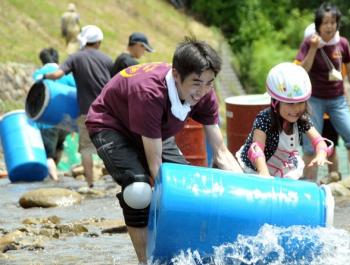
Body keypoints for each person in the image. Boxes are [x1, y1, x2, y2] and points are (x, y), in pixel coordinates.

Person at [85, 37, 243, 264]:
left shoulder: (205, 93)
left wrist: (245, 190)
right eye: (196, 83)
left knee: (189, 185)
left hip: (154, 130)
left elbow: (221, 152)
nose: (202, 91)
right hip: (111, 125)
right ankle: (145, 260)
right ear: (176, 75)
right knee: (139, 191)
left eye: (209, 82)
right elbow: (156, 167)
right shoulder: (150, 93)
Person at [295, 2, 350, 181]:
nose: (330, 26)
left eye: (333, 22)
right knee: (310, 146)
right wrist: (313, 49)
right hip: (314, 100)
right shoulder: (309, 42)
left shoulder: (343, 43)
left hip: (338, 100)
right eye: (325, 23)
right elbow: (302, 70)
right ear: (318, 25)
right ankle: (310, 185)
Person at [41, 25, 113, 188]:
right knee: (110, 145)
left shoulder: (75, 57)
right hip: (109, 112)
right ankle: (117, 181)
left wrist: (44, 75)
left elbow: (57, 74)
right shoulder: (107, 59)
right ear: (99, 42)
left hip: (87, 113)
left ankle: (90, 184)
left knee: (86, 148)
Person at [236, 62, 331, 179]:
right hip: (257, 166)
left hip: (283, 165)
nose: (296, 109)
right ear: (275, 102)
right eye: (290, 104)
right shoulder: (264, 119)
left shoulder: (302, 119)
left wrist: (321, 154)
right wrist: (263, 172)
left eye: (300, 102)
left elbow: (318, 141)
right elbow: (257, 148)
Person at [32, 48, 76, 180]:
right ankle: (55, 177)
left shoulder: (39, 73)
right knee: (59, 145)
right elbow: (74, 94)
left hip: (47, 121)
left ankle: (54, 180)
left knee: (48, 155)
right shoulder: (67, 74)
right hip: (66, 120)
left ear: (42, 60)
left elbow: (34, 95)